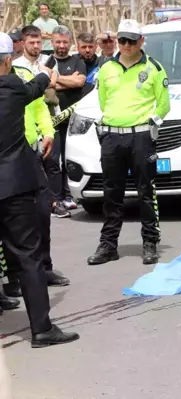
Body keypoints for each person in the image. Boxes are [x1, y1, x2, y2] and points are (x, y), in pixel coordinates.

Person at [0, 32, 79, 347]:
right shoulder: (12, 86)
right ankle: (42, 329)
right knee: (29, 257)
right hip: (15, 188)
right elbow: (39, 84)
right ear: (8, 59)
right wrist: (49, 71)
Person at [87, 19, 170, 266]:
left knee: (146, 191)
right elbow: (103, 102)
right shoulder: (106, 69)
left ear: (141, 41)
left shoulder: (154, 68)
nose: (125, 45)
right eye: (121, 40)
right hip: (112, 136)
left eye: (131, 41)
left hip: (141, 136)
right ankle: (108, 245)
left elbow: (164, 104)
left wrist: (150, 123)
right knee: (112, 193)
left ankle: (150, 242)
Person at [0, 60, 71, 300]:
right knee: (13, 226)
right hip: (11, 162)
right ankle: (13, 279)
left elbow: (40, 106)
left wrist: (48, 132)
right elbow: (40, 84)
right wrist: (45, 76)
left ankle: (44, 269)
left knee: (41, 214)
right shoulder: (15, 84)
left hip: (31, 154)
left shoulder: (22, 75)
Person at [49, 25, 87, 215]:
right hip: (53, 121)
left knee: (71, 159)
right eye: (58, 41)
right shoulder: (47, 61)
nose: (61, 45)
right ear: (52, 42)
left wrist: (56, 80)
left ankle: (69, 194)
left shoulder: (78, 61)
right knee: (55, 161)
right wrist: (67, 80)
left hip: (75, 121)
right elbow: (46, 85)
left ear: (70, 43)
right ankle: (56, 199)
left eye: (65, 42)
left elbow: (79, 82)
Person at [75, 32, 110, 96]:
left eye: (90, 47)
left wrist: (109, 35)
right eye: (84, 47)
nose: (87, 50)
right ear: (78, 48)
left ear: (96, 47)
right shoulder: (72, 62)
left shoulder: (103, 62)